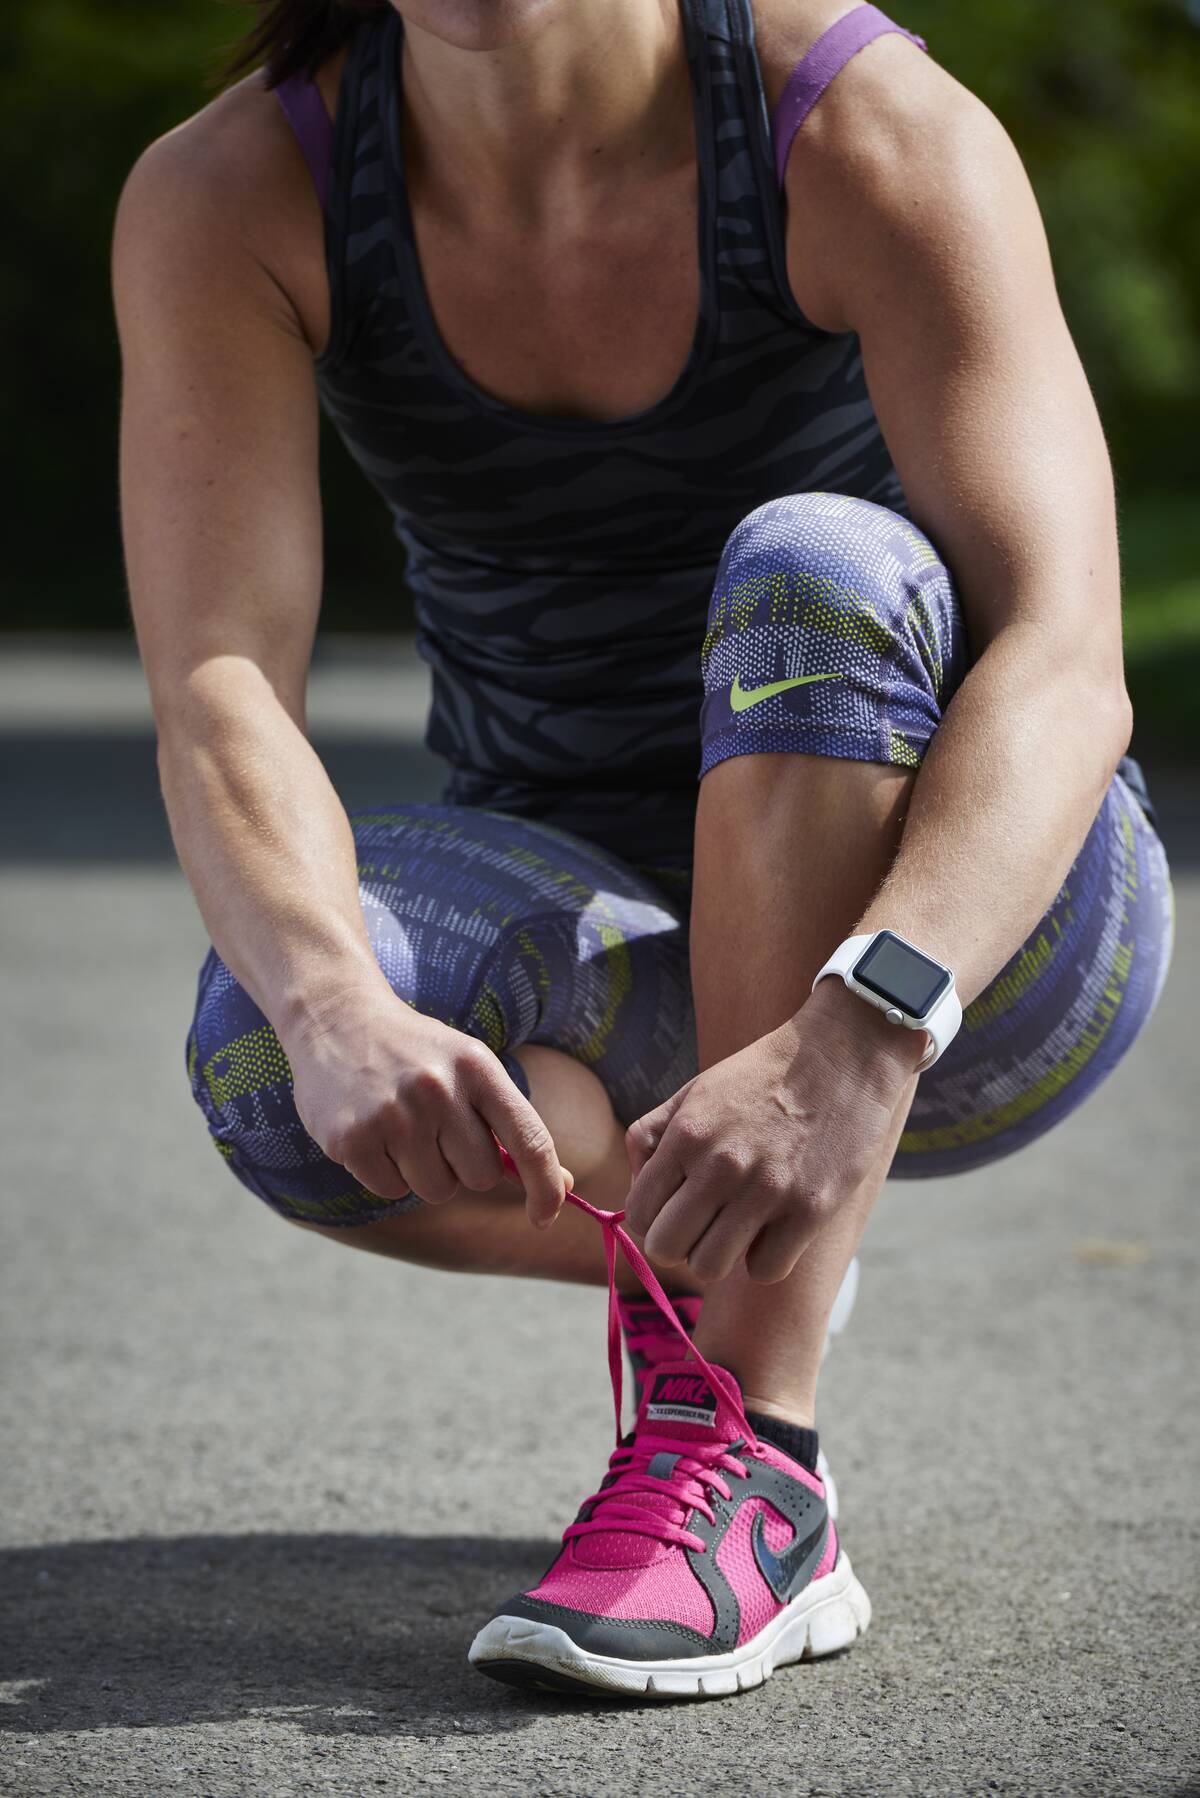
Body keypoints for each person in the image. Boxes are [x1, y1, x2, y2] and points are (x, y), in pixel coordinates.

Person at [114, 0, 1173, 1698]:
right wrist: (332, 1008)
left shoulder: (859, 127)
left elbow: (1067, 662)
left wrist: (856, 1030)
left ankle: (756, 1454)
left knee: (812, 566)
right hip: (600, 901)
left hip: (976, 931)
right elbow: (219, 685)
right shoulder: (239, 190)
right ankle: (747, 1249)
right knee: (258, 1047)